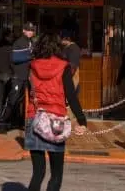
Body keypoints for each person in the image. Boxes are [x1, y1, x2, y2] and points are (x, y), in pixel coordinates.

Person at [25, 33, 87, 191]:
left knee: (37, 172)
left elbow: (28, 92)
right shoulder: (63, 66)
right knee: (56, 173)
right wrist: (82, 120)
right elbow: (71, 96)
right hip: (55, 120)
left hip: (35, 117)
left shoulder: (32, 66)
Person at [0, 22, 36, 134]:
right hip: (18, 76)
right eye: (28, 30)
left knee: (25, 101)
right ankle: (2, 123)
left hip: (28, 76)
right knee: (12, 100)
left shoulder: (31, 42)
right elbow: (15, 58)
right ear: (24, 30)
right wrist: (30, 56)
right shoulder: (19, 42)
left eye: (32, 30)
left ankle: (21, 122)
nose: (30, 32)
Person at [0, 29, 14, 119]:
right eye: (11, 36)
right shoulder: (10, 48)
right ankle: (6, 118)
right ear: (7, 37)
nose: (12, 38)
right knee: (8, 98)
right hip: (8, 75)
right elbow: (12, 62)